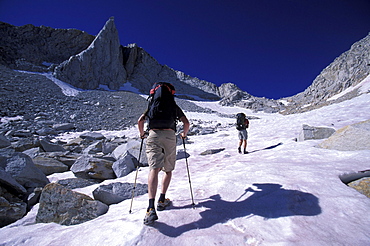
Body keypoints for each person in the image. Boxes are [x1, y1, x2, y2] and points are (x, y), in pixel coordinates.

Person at [138, 82, 190, 225]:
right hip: (169, 136)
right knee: (168, 170)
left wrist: (142, 134)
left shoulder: (152, 104)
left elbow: (140, 121)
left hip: (153, 135)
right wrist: (184, 135)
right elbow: (186, 123)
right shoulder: (173, 105)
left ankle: (150, 208)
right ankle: (162, 199)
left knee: (154, 169)